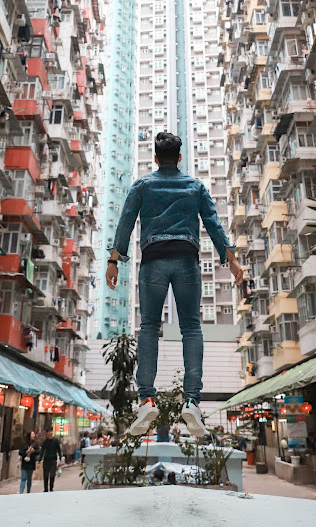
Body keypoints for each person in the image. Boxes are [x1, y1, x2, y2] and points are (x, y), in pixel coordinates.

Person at [106, 133, 243, 438]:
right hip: (186, 260)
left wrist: (114, 261)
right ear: (179, 158)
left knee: (149, 328)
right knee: (192, 329)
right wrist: (230, 258)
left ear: (156, 158)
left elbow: (126, 221)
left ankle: (146, 400)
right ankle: (192, 401)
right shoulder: (195, 186)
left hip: (153, 260)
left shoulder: (143, 185)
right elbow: (212, 221)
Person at [39, 427, 62, 492]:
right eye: (49, 432)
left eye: (51, 431)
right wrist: (39, 460)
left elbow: (59, 450)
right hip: (46, 460)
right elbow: (42, 451)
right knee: (45, 475)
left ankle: (51, 487)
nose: (50, 433)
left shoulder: (56, 441)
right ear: (47, 433)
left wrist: (60, 459)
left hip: (53, 460)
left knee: (52, 475)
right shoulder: (45, 442)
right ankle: (45, 489)